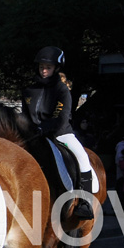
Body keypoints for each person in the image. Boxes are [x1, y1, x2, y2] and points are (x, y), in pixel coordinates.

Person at [21, 46, 95, 220]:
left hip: (60, 134)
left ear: (56, 68)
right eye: (41, 67)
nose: (44, 70)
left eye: (48, 67)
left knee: (82, 157)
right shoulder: (28, 91)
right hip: (32, 136)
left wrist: (43, 128)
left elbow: (60, 117)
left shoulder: (61, 90)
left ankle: (85, 202)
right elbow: (24, 116)